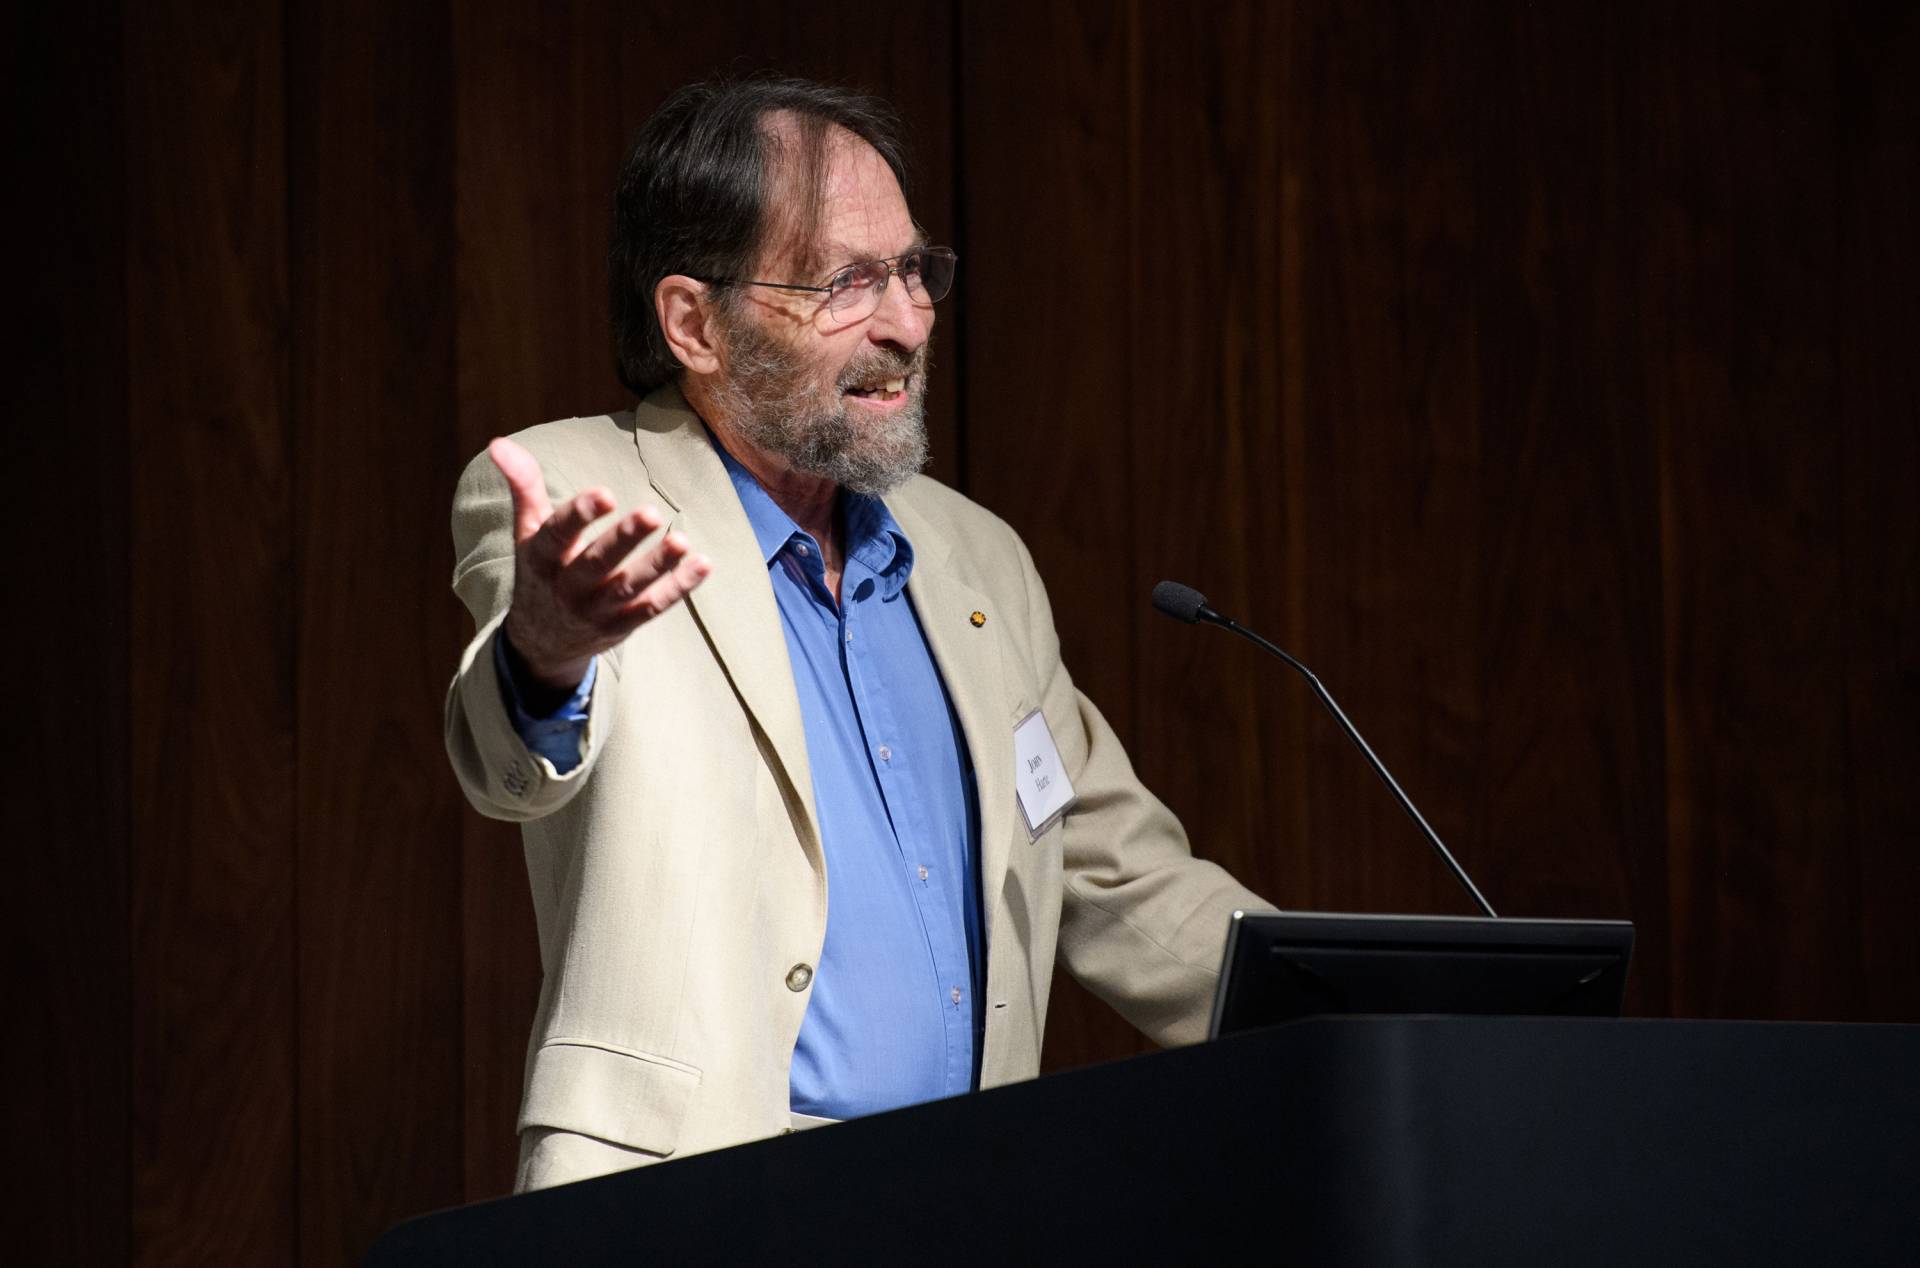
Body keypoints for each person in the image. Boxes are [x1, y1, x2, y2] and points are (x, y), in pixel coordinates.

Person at [444, 76, 1269, 1193]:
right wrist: (546, 650)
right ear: (694, 322)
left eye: (914, 271)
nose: (907, 323)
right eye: (847, 282)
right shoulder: (579, 495)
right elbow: (510, 762)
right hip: (685, 1200)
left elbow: (1122, 877)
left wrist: (1381, 1006)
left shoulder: (977, 556)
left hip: (967, 1198)